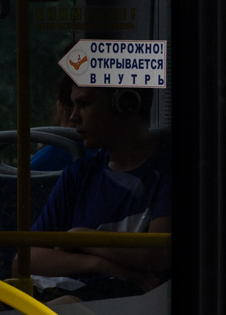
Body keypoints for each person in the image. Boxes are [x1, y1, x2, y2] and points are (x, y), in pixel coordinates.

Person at [26, 85, 172, 295]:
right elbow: (25, 260)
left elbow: (155, 254)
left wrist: (80, 237)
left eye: (84, 104)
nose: (74, 117)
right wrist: (98, 264)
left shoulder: (167, 171)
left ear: (126, 103)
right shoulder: (79, 174)